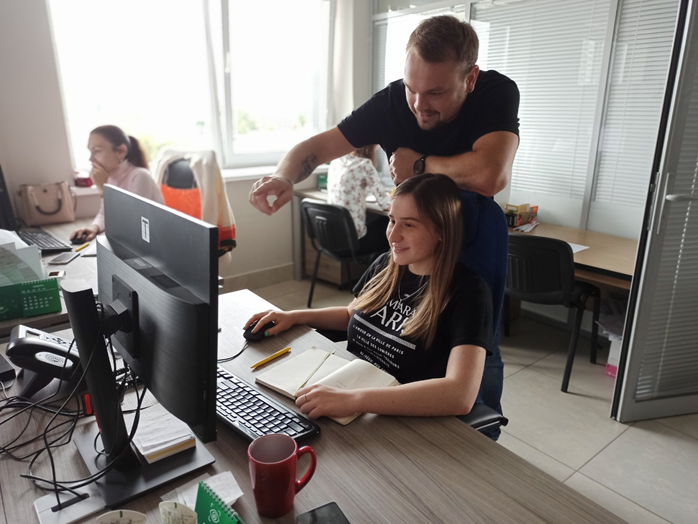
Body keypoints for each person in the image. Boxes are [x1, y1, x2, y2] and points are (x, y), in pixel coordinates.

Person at [248, 15, 519, 436]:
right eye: (411, 88)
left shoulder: (494, 93)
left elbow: (490, 174)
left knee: (473, 349)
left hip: (471, 238)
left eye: (435, 92)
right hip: (417, 236)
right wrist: (284, 176)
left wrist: (419, 164)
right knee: (389, 329)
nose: (419, 104)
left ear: (469, 80)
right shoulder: (393, 103)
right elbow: (316, 147)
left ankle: (478, 441)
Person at [246, 174, 493, 420]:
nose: (393, 236)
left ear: (442, 230)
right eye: (392, 221)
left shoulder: (468, 292)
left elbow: (460, 395)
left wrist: (354, 400)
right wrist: (294, 316)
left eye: (409, 225)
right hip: (349, 392)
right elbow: (350, 315)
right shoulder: (387, 265)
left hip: (400, 415)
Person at [70, 125, 163, 242]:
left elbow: (131, 222)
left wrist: (103, 190)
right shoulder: (109, 177)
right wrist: (94, 227)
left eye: (97, 151)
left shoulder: (140, 176)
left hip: (152, 241)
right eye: (90, 152)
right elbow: (104, 214)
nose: (91, 159)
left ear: (121, 152)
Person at [327, 145, 391, 252]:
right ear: (371, 147)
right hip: (353, 242)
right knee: (386, 223)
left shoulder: (336, 161)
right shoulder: (365, 164)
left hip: (332, 238)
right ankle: (378, 263)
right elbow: (386, 205)